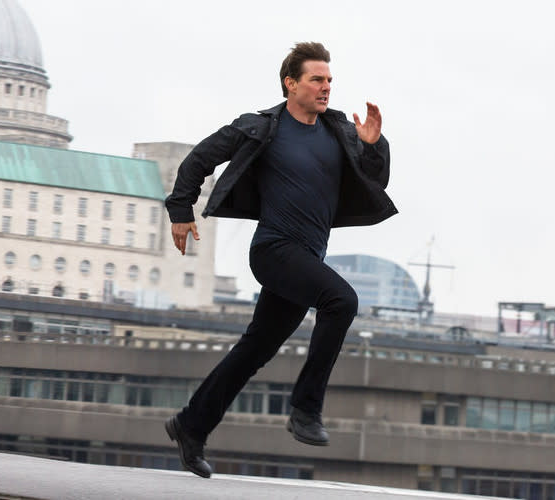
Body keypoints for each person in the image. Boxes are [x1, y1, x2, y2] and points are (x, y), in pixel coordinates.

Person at [163, 42, 397, 479]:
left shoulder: (339, 131)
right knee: (341, 301)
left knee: (256, 349)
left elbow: (373, 183)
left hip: (307, 255)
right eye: (317, 79)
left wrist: (373, 144)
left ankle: (191, 425)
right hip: (273, 249)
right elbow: (200, 159)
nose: (326, 87)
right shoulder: (261, 128)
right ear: (291, 84)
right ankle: (306, 410)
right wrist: (181, 211)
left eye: (329, 80)